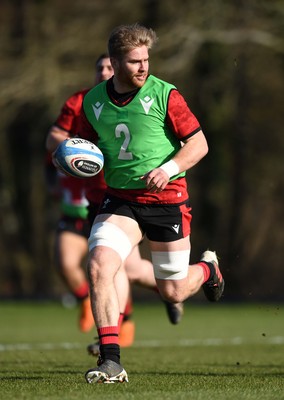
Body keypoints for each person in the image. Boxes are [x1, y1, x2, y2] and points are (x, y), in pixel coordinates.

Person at [78, 23, 225, 384]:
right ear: (114, 61)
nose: (143, 67)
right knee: (99, 265)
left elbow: (199, 144)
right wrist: (68, 157)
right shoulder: (93, 100)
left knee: (172, 290)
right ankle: (111, 360)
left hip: (166, 200)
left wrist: (170, 167)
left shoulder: (165, 95)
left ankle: (208, 270)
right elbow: (84, 147)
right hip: (120, 200)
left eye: (146, 59)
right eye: (134, 61)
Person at [46, 53, 184, 352]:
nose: (104, 72)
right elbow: (55, 137)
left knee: (125, 268)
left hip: (124, 194)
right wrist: (71, 154)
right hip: (94, 198)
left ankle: (157, 302)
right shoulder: (81, 102)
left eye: (110, 67)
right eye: (99, 68)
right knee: (107, 266)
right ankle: (112, 332)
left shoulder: (146, 98)